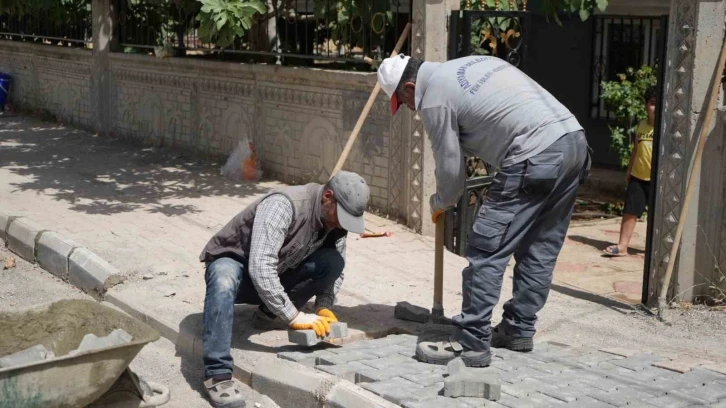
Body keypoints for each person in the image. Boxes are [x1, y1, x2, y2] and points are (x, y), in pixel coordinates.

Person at [377, 54, 591, 367]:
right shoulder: (468, 64)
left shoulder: (434, 98)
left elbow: (451, 173)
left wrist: (441, 202)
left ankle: (471, 341)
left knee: (486, 247)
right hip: (574, 142)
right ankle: (518, 329)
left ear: (410, 87)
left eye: (403, 101)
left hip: (535, 152)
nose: (409, 109)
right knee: (540, 246)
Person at [198, 171, 369, 408]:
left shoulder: (334, 220)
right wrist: (294, 316)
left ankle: (268, 313)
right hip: (239, 269)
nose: (341, 224)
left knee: (332, 262)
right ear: (327, 197)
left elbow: (337, 266)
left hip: (277, 271)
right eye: (340, 217)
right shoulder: (284, 205)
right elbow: (260, 266)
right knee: (223, 280)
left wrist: (324, 306)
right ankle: (217, 375)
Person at [604, 87, 657, 257]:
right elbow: (636, 149)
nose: (655, 108)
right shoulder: (641, 125)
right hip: (638, 176)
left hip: (658, 180)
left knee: (657, 215)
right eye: (652, 104)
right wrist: (629, 169)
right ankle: (622, 246)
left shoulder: (666, 128)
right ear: (645, 106)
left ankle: (656, 249)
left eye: (659, 104)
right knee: (630, 211)